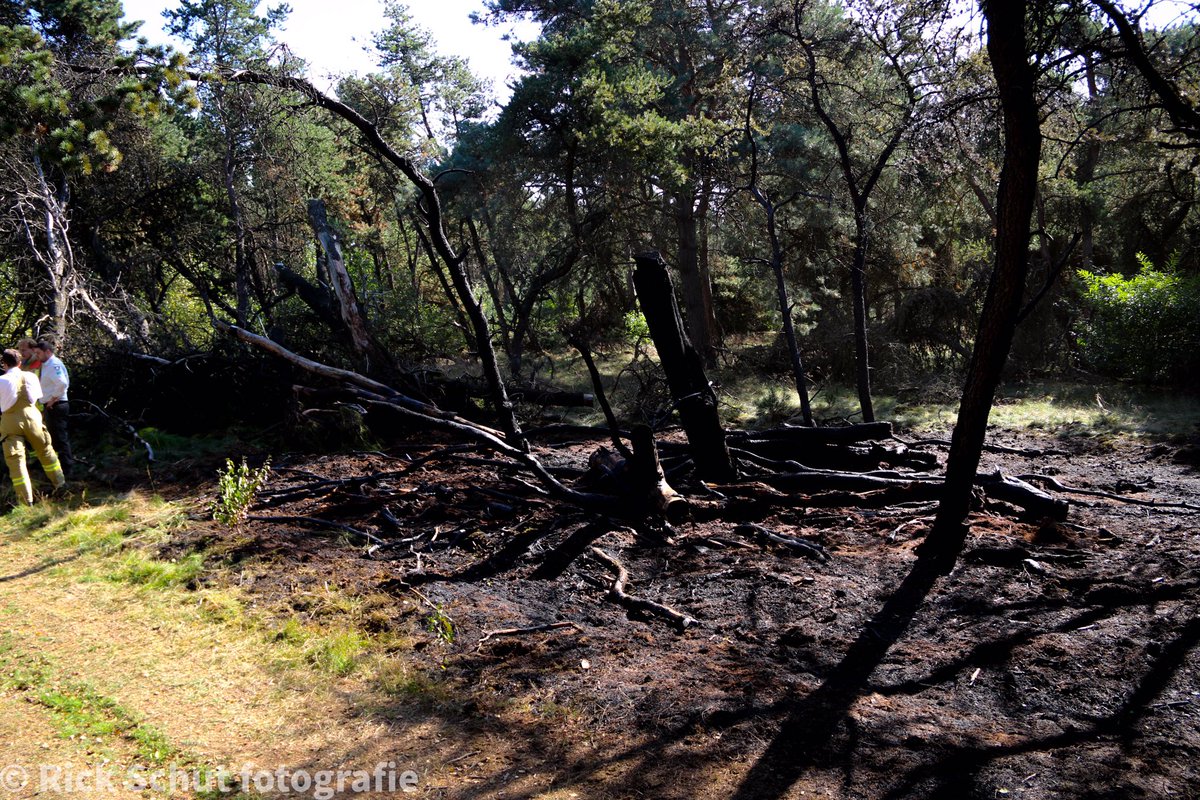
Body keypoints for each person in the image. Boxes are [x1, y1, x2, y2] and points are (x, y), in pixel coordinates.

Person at [0, 349, 65, 505]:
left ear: (4, 363)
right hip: (33, 416)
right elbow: (38, 396)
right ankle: (61, 484)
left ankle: (25, 501)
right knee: (46, 451)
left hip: (10, 420)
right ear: (20, 362)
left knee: (16, 461)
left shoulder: (2, 380)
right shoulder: (31, 376)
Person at [32, 339, 71, 473]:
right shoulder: (46, 364)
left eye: (38, 353)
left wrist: (52, 400)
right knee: (53, 437)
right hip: (51, 405)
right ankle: (57, 467)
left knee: (60, 437)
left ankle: (67, 468)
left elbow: (62, 384)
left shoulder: (54, 364)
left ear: (47, 351)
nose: (37, 356)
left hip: (57, 405)